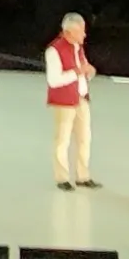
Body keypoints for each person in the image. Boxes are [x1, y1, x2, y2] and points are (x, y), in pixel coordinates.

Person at [45, 11, 100, 189]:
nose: (84, 34)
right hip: (64, 102)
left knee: (85, 138)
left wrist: (88, 72)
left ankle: (82, 176)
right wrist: (77, 71)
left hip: (81, 99)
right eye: (81, 31)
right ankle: (62, 178)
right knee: (62, 140)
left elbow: (82, 71)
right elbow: (54, 81)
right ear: (69, 32)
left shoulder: (78, 47)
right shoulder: (54, 50)